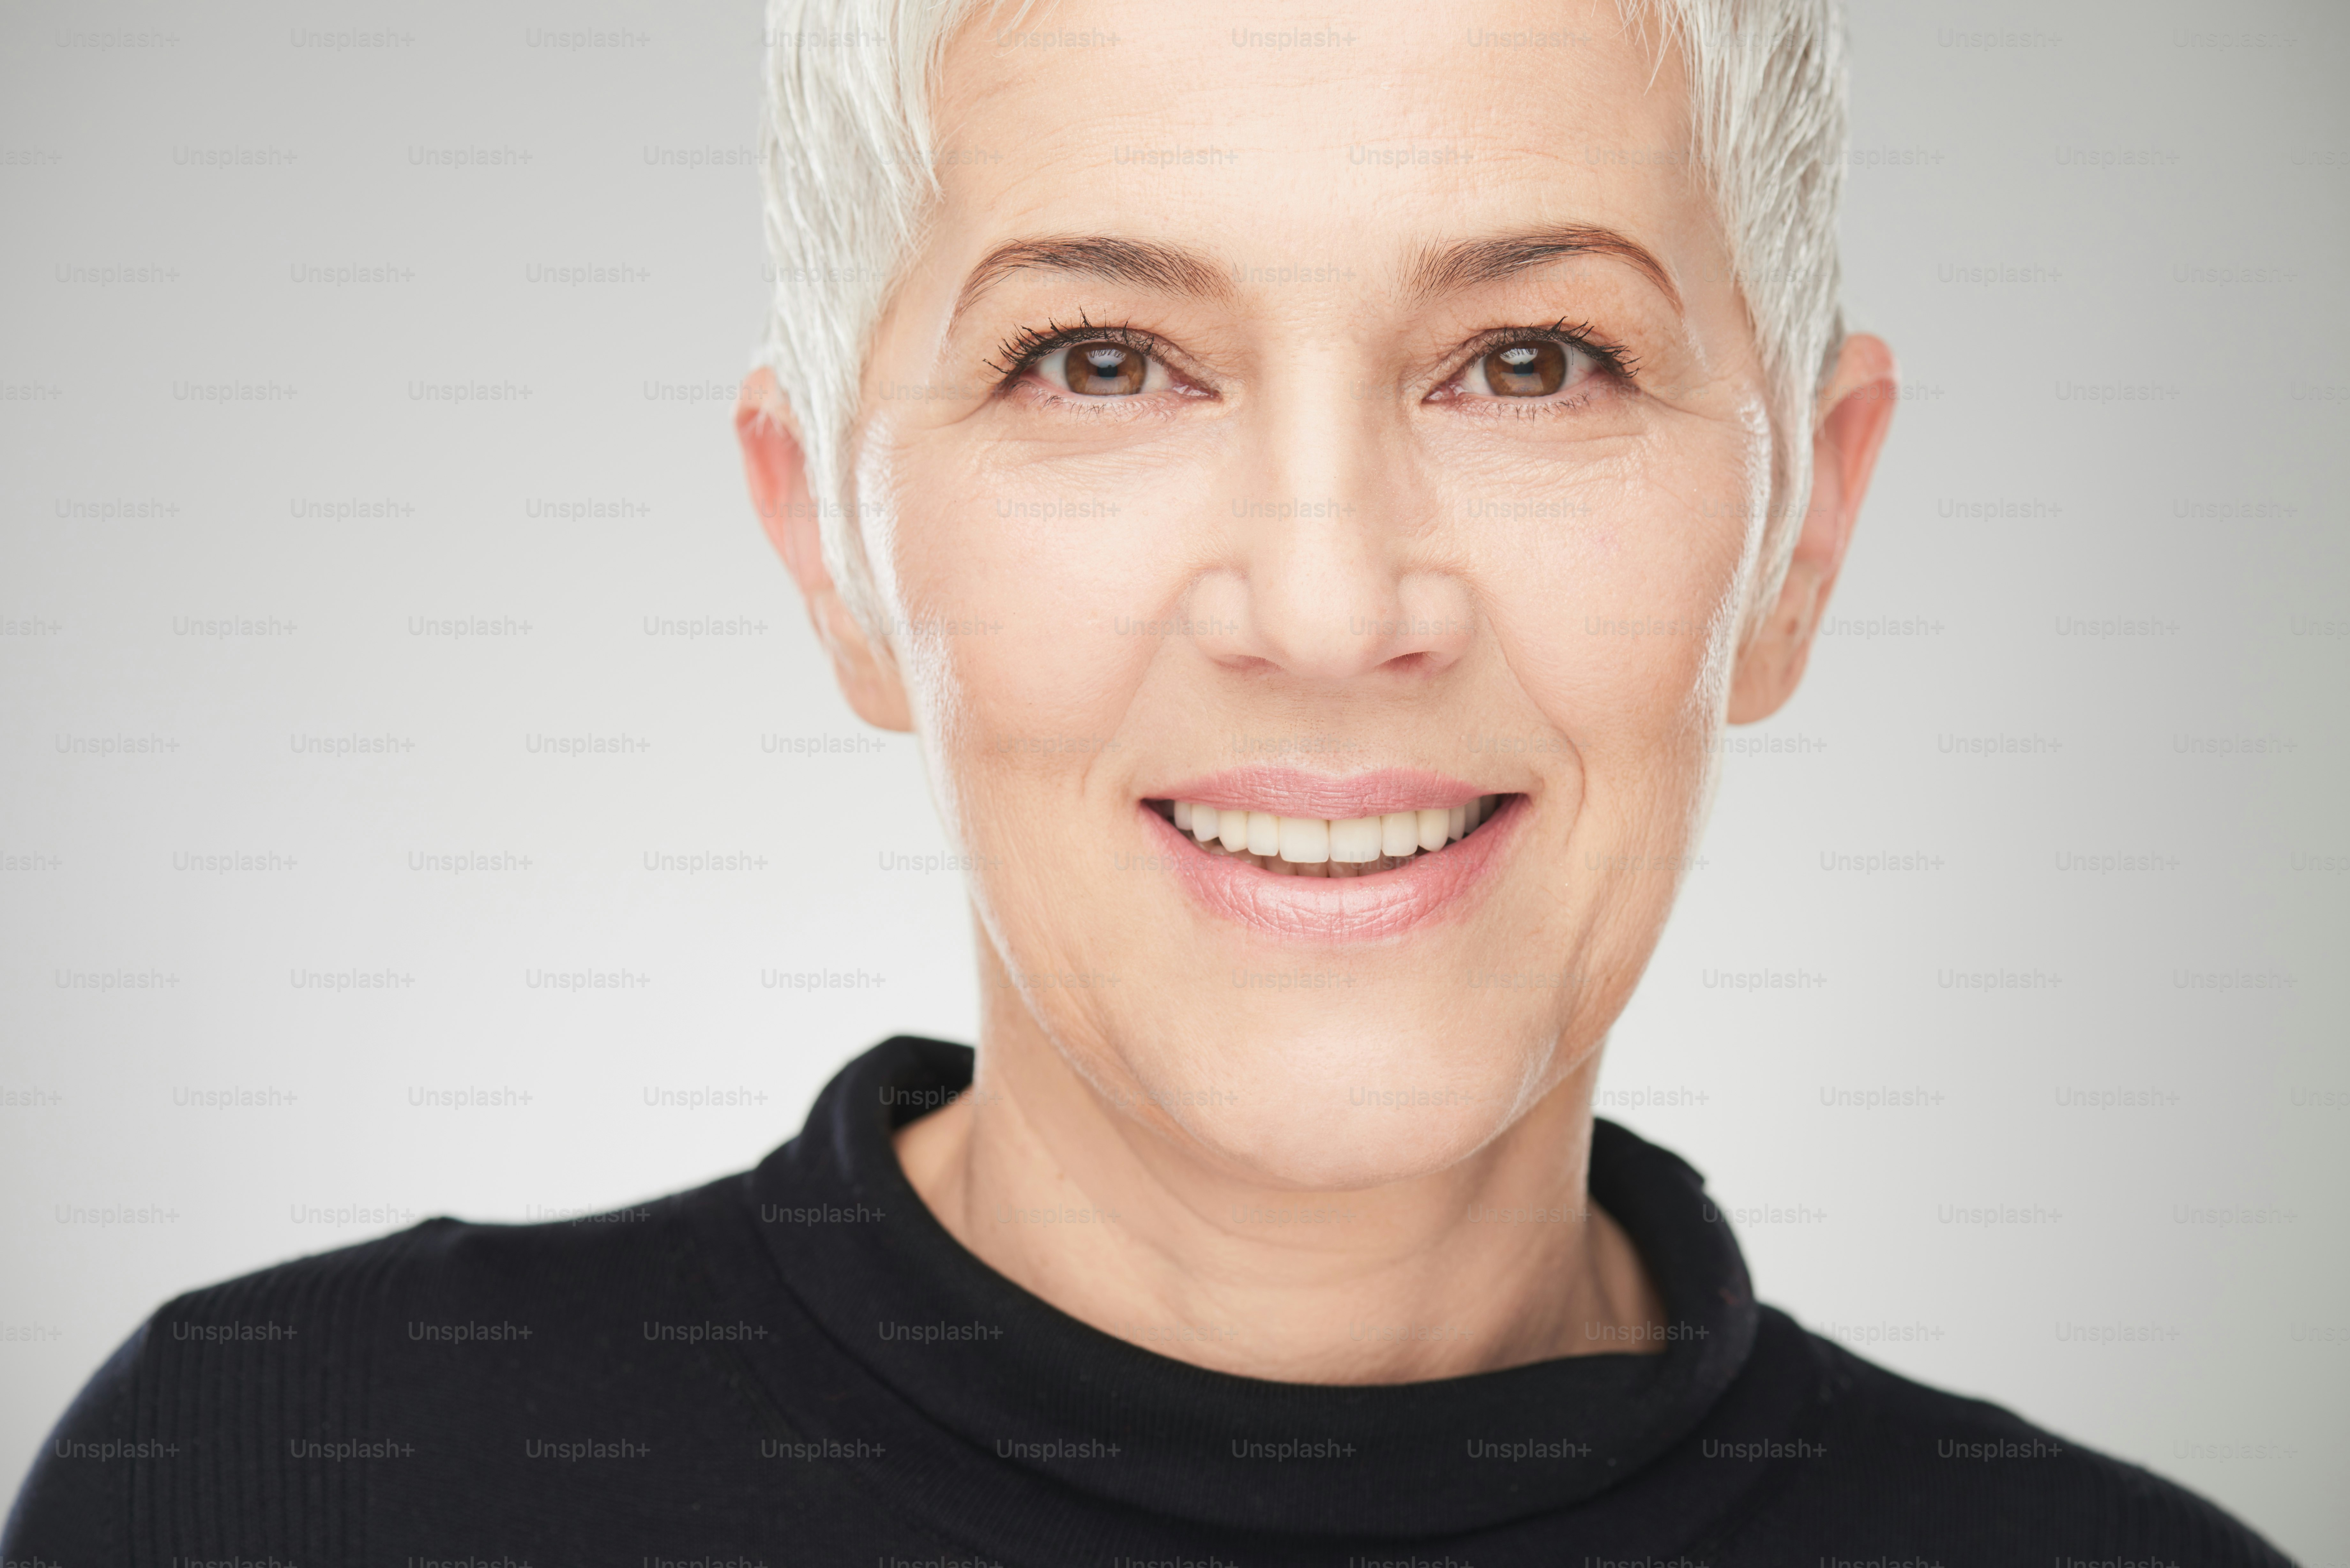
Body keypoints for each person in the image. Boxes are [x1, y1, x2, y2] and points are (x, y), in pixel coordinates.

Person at [4, 0, 2293, 1561]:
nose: (1325, 600)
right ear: (833, 548)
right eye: (1102, 360)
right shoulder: (286, 1478)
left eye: (1532, 358)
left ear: (1804, 530)